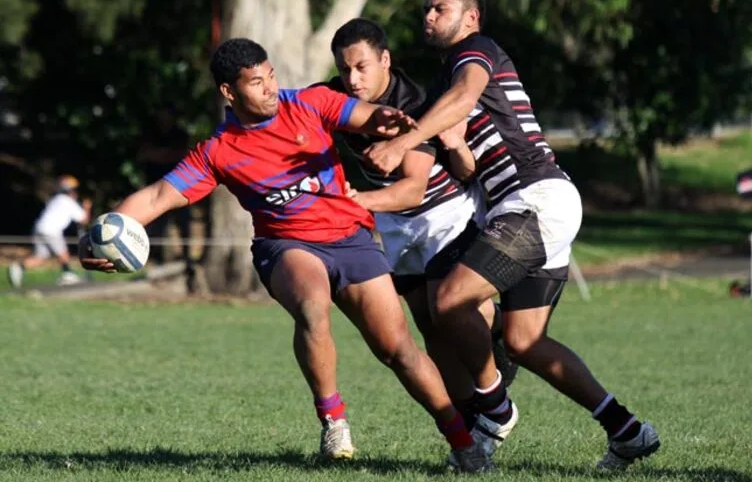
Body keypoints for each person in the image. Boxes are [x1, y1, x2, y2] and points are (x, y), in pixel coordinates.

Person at [79, 38, 493, 472]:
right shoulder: (217, 151)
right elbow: (159, 195)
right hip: (287, 245)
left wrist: (384, 120)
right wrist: (103, 233)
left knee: (399, 350)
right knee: (313, 307)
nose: (270, 88)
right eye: (257, 83)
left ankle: (464, 443)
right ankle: (334, 421)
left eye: (271, 75)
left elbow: (363, 115)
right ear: (229, 92)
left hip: (351, 238)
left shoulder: (311, 103)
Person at [364, 0, 660, 470]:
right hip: (517, 207)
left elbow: (465, 96)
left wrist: (399, 143)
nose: (428, 17)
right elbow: (465, 168)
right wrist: (453, 145)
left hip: (535, 199)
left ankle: (495, 408)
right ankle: (627, 430)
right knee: (524, 341)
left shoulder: (475, 52)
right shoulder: (444, 82)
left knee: (452, 300)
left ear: (471, 17)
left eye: (439, 9)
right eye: (426, 11)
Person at [321, 18, 518, 431]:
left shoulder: (413, 103)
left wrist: (351, 202)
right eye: (344, 69)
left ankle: (499, 338)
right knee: (429, 327)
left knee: (445, 309)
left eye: (362, 67)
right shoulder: (336, 98)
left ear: (385, 60)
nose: (352, 79)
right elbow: (295, 108)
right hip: (395, 224)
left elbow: (412, 190)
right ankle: (471, 420)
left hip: (443, 215)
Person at [8, 175, 92, 288]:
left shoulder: (56, 199)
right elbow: (84, 220)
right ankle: (68, 274)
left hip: (39, 228)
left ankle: (18, 267)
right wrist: (87, 207)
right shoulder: (68, 202)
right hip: (51, 230)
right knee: (63, 252)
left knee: (41, 256)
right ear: (72, 191)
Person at [137, 105, 192, 266]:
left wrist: (158, 155)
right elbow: (144, 154)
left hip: (179, 187)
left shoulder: (180, 134)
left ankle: (187, 257)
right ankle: (156, 257)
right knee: (157, 224)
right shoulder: (149, 134)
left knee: (183, 223)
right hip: (155, 186)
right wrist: (165, 155)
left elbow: (182, 155)